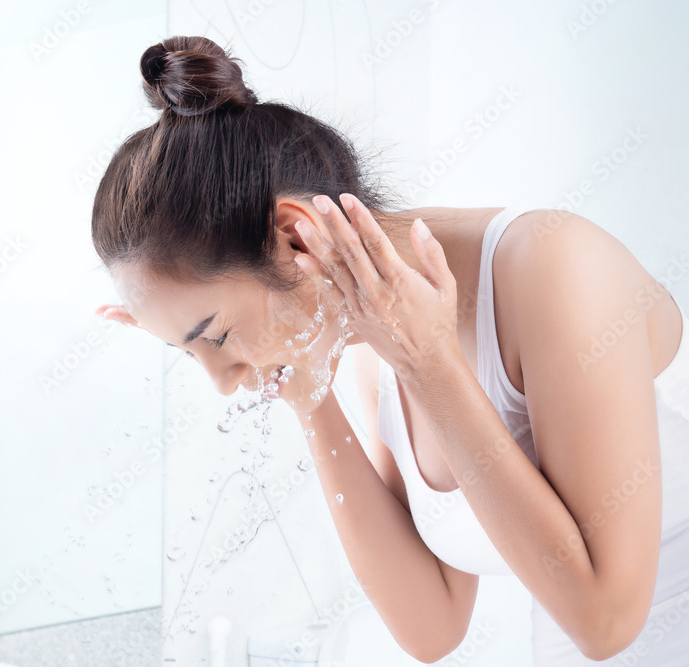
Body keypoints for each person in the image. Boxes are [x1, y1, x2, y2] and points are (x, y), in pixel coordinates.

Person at [90, 35, 689, 665]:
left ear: (297, 239)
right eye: (189, 353)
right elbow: (432, 628)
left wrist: (429, 364)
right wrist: (309, 397)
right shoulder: (372, 340)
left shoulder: (553, 266)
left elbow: (606, 620)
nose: (222, 379)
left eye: (213, 335)